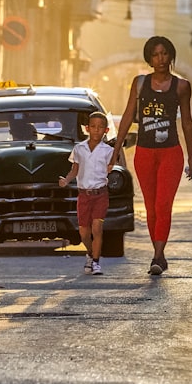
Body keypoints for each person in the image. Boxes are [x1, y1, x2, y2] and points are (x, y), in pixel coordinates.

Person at [110, 36, 192, 276]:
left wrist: (191, 158)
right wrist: (116, 151)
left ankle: (158, 255)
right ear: (149, 58)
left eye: (164, 54)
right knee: (151, 207)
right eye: (155, 54)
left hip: (171, 152)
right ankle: (158, 251)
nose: (160, 59)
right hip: (145, 153)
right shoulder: (139, 84)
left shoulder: (182, 86)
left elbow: (187, 123)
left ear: (171, 56)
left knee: (163, 204)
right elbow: (128, 117)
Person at [58, 112, 114, 275]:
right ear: (87, 128)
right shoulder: (79, 149)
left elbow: (112, 167)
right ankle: (90, 253)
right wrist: (66, 180)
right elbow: (74, 170)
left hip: (100, 194)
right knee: (84, 231)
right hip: (84, 195)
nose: (97, 130)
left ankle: (96, 262)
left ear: (106, 130)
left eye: (100, 127)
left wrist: (111, 167)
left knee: (97, 228)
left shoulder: (108, 151)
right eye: (93, 127)